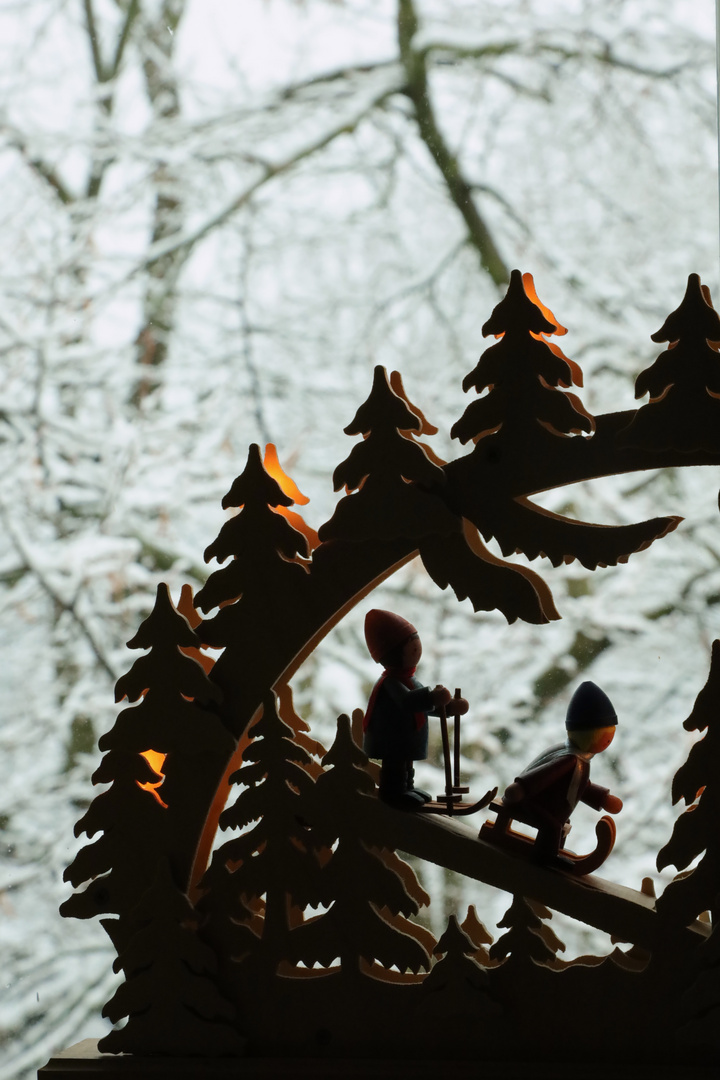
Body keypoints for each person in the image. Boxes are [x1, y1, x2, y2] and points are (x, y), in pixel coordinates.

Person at [500, 680, 622, 861]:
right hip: (529, 801)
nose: (608, 741)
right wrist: (521, 788)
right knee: (553, 827)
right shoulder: (568, 759)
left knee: (560, 823)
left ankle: (555, 850)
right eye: (605, 736)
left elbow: (580, 785)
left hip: (543, 802)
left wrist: (602, 798)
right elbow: (542, 776)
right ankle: (546, 857)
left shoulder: (579, 758)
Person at [362, 609, 468, 809]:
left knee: (405, 764)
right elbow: (409, 702)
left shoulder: (409, 680)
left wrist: (450, 708)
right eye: (412, 649)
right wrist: (432, 697)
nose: (418, 652)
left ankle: (406, 788)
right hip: (392, 738)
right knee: (395, 766)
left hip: (404, 737)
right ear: (393, 654)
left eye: (417, 646)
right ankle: (393, 792)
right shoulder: (391, 683)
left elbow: (425, 706)